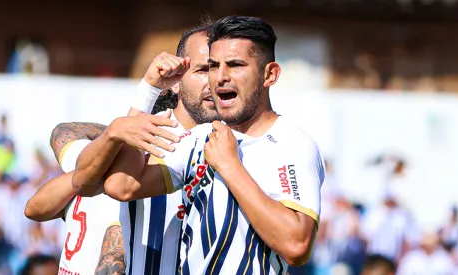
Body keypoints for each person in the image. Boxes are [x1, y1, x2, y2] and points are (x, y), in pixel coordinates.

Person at [72, 15, 325, 274]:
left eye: (236, 65)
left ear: (269, 74)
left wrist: (229, 166)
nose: (220, 78)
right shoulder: (201, 137)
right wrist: (148, 91)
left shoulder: (291, 143)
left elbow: (296, 245)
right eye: (213, 66)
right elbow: (120, 185)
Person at [26, 23, 218, 274]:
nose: (215, 80)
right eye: (204, 69)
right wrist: (112, 136)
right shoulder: (163, 152)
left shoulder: (109, 149)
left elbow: (36, 205)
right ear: (176, 81)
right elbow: (37, 208)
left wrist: (109, 138)